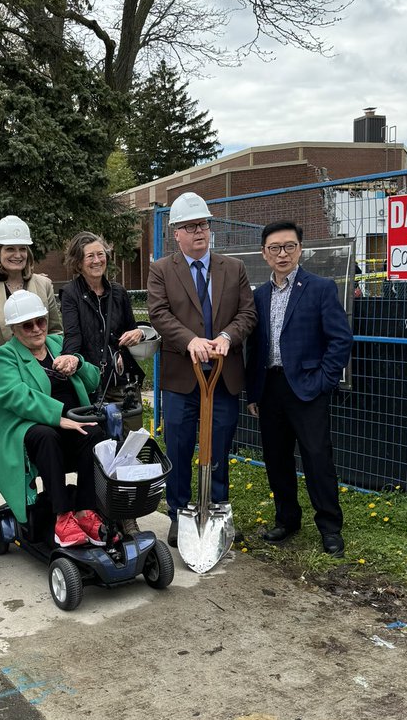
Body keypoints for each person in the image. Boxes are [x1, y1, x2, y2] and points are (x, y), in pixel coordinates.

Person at [147, 192, 257, 547]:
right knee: (178, 445)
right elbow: (159, 314)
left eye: (204, 224)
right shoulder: (162, 270)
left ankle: (219, 508)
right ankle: (179, 512)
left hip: (223, 375)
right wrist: (190, 340)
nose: (199, 231)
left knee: (220, 444)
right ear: (176, 233)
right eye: (191, 226)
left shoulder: (233, 268)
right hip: (183, 377)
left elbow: (248, 313)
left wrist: (227, 335)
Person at [245, 221, 353, 558]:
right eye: (275, 248)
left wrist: (324, 381)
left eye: (289, 246)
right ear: (264, 254)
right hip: (270, 389)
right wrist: (253, 393)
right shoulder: (259, 296)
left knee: (317, 459)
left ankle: (330, 528)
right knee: (277, 460)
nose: (283, 253)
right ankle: (287, 520)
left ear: (300, 250)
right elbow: (255, 348)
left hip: (308, 388)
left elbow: (340, 339)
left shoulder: (320, 288)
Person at [0, 290, 107, 548]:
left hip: (72, 422)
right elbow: (15, 395)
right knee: (46, 435)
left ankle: (85, 511)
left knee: (94, 432)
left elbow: (94, 380)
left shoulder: (58, 343)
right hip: (26, 429)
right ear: (14, 329)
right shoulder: (4, 356)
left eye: (40, 320)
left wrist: (78, 362)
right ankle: (62, 517)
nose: (37, 328)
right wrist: (58, 416)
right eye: (27, 325)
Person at [60, 231, 145, 428]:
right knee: (100, 446)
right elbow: (73, 335)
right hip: (93, 384)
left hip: (123, 381)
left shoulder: (119, 292)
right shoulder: (71, 294)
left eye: (101, 254)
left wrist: (138, 333)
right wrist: (70, 358)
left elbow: (131, 329)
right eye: (90, 256)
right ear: (79, 262)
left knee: (133, 442)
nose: (97, 260)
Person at [0, 215, 61, 347]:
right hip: (1, 364)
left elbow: (55, 332)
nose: (18, 255)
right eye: (10, 249)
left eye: (22, 248)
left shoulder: (44, 284)